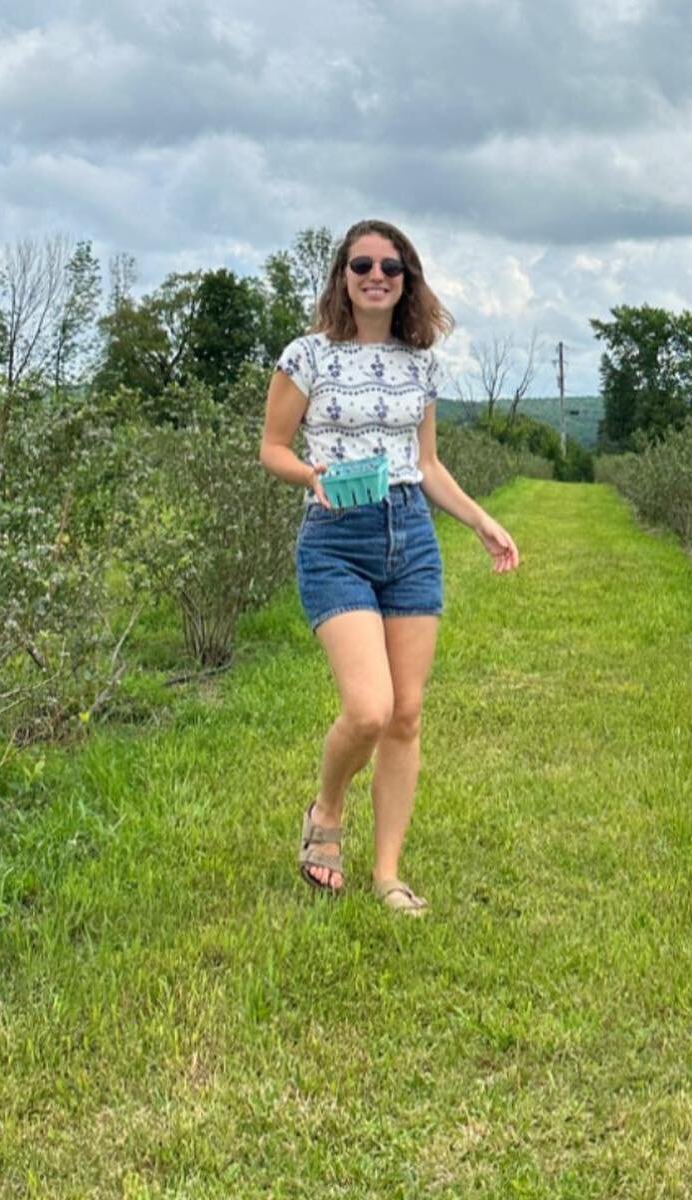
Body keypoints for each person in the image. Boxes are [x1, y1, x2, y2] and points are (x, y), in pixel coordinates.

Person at [259, 219, 520, 912]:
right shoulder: (306, 356)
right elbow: (273, 448)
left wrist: (481, 521)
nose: (376, 276)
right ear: (342, 276)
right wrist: (308, 476)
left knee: (406, 715)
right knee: (368, 709)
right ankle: (327, 812)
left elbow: (426, 464)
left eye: (391, 267)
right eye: (362, 264)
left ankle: (388, 873)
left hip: (409, 535)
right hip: (336, 537)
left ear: (409, 280)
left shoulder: (420, 363)